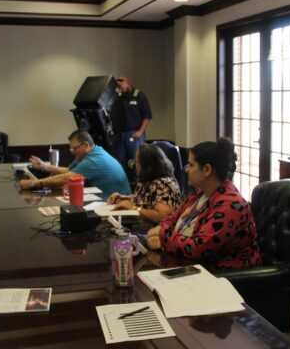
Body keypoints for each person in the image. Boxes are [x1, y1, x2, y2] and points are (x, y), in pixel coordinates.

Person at [146, 138, 261, 270]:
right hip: (190, 265)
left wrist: (163, 235)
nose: (186, 169)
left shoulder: (231, 205)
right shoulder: (200, 192)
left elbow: (196, 248)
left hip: (223, 275)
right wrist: (164, 231)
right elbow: (172, 218)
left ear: (207, 169)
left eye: (191, 165)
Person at [19, 130, 131, 196]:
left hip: (119, 204)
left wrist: (35, 183)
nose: (72, 152)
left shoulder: (94, 160)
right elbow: (69, 171)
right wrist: (44, 166)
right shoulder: (92, 152)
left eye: (74, 148)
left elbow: (67, 177)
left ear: (86, 145)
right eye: (71, 149)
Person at [107, 143, 182, 223]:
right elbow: (144, 199)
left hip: (155, 228)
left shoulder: (164, 184)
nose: (135, 165)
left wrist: (133, 207)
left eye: (136, 162)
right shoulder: (147, 178)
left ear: (146, 165)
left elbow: (162, 217)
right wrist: (123, 198)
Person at [109, 76, 152, 179]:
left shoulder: (139, 95)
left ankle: (139, 185)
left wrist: (140, 132)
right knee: (119, 163)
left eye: (121, 86)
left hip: (134, 135)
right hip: (119, 136)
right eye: (118, 87)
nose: (120, 89)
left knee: (137, 162)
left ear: (128, 83)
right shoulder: (117, 97)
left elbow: (147, 116)